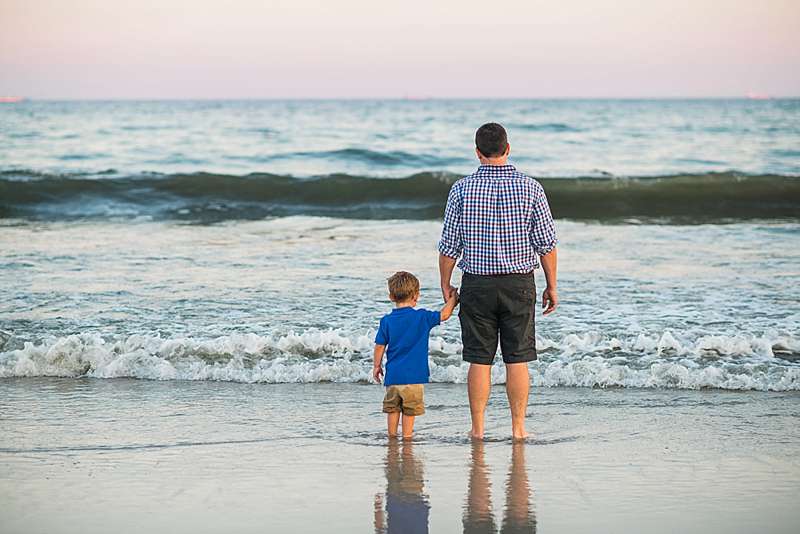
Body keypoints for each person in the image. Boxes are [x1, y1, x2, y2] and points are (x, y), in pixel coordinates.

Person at [438, 122, 559, 440]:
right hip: (519, 283)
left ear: (477, 152)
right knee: (517, 358)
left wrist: (446, 285)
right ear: (508, 149)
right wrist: (552, 285)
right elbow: (546, 243)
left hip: (477, 283)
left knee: (479, 359)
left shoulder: (462, 189)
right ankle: (518, 429)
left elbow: (449, 244)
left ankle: (478, 429)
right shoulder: (531, 187)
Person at [373, 271, 459, 439]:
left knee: (392, 409)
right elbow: (444, 315)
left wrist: (376, 366)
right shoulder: (422, 317)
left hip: (393, 377)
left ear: (391, 296)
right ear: (416, 296)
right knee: (409, 411)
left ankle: (391, 437)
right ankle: (407, 437)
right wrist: (453, 300)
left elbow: (379, 346)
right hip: (413, 378)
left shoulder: (387, 320)